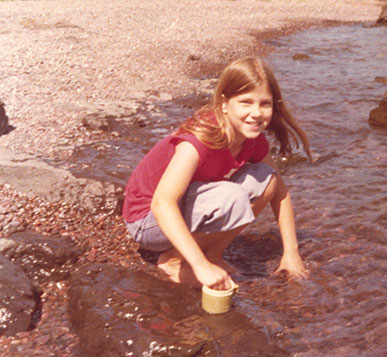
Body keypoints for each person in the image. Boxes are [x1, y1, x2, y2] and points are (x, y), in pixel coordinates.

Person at [122, 57, 313, 291]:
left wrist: (291, 253)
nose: (256, 113)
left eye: (265, 104)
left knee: (268, 179)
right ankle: (174, 261)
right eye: (245, 102)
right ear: (224, 103)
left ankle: (213, 255)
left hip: (180, 207)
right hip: (147, 221)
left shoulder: (252, 140)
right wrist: (199, 265)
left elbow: (279, 193)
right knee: (231, 196)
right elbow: (162, 203)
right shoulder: (200, 139)